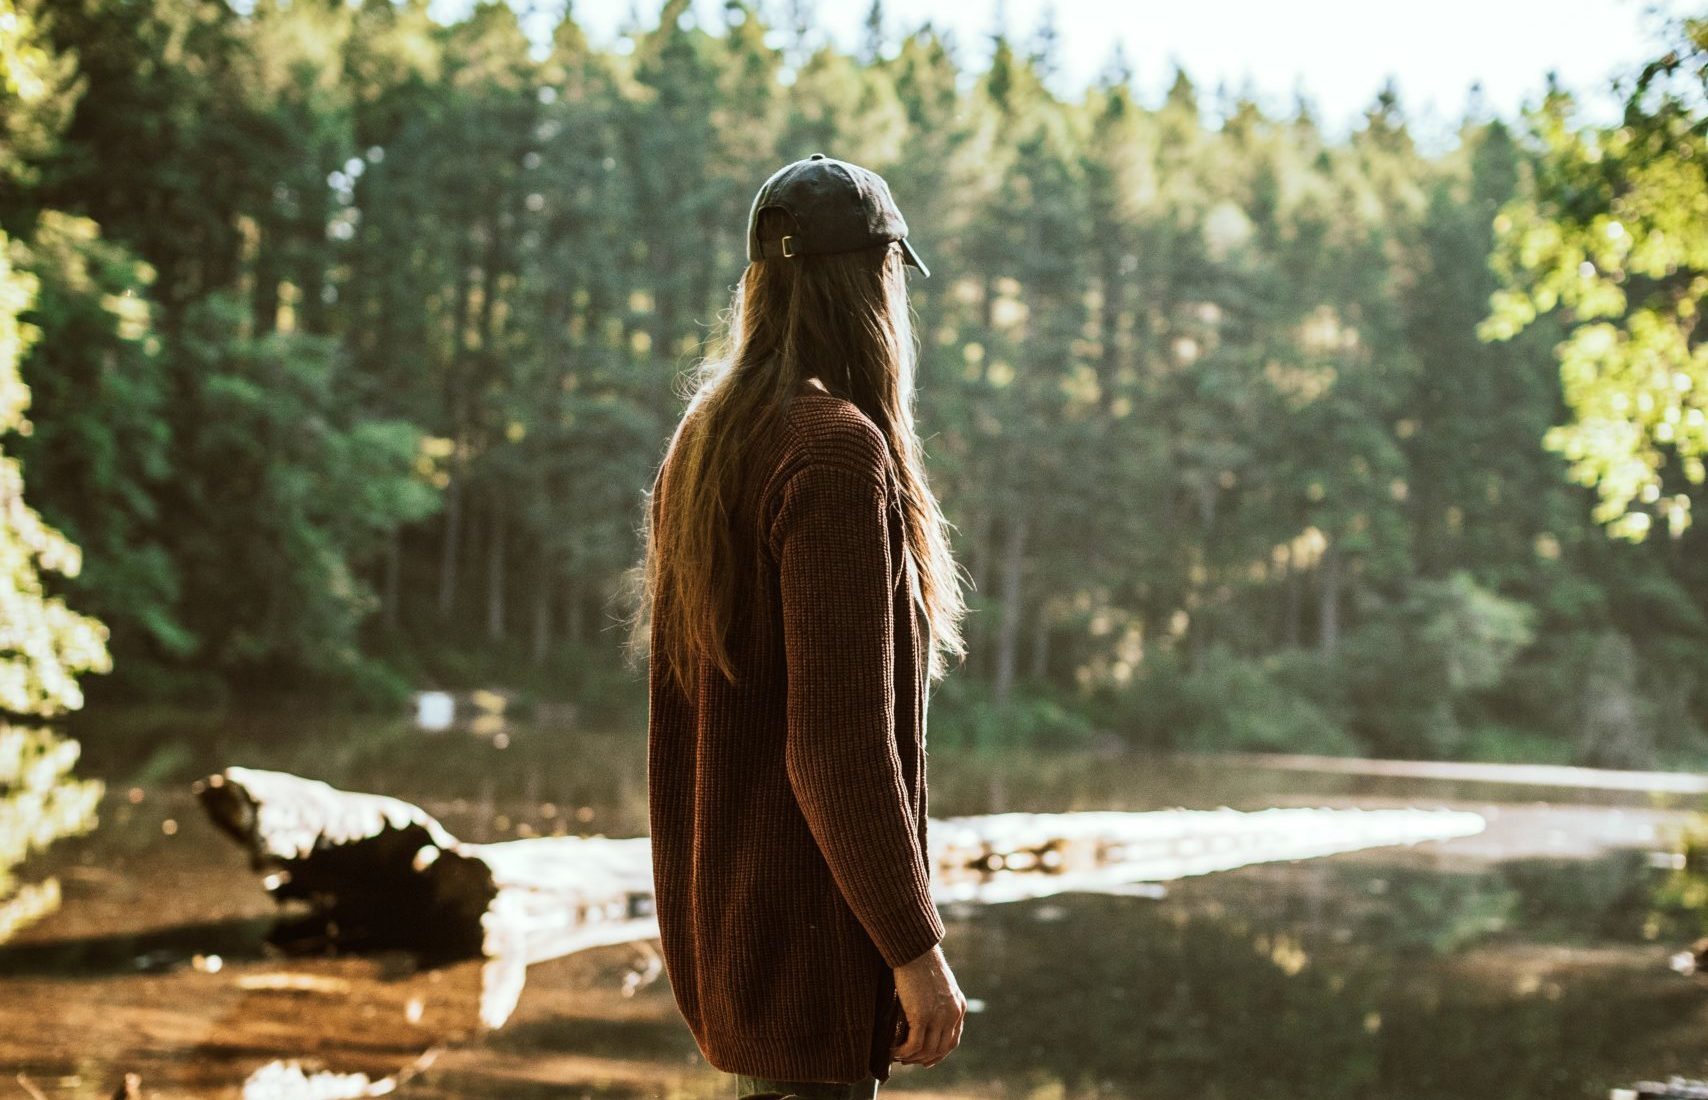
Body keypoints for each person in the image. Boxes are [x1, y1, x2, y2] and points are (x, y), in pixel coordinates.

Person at [632, 153, 970, 1100]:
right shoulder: (834, 452)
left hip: (735, 952)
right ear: (873, 283)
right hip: (807, 961)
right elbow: (836, 747)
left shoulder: (706, 440)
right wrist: (915, 951)